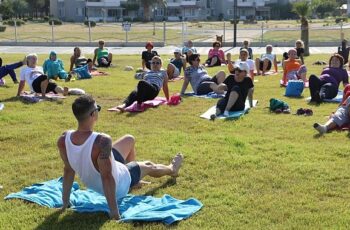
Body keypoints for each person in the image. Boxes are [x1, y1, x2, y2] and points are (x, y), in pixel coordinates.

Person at [58, 95, 184, 220]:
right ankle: (172, 169)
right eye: (98, 109)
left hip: (100, 176)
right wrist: (114, 212)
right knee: (149, 165)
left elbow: (68, 170)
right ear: (93, 114)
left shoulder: (64, 139)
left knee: (129, 139)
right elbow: (107, 177)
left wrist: (65, 203)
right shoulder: (101, 141)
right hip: (119, 185)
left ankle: (135, 181)